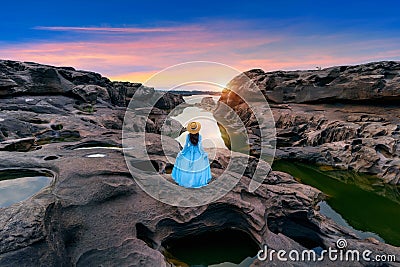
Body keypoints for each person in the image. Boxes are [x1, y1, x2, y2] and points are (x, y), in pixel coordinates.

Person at [172, 121, 212, 188]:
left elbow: (186, 145)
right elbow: (200, 146)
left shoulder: (188, 135)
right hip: (197, 152)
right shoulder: (200, 136)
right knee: (198, 166)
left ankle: (187, 180)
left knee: (187, 166)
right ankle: (196, 181)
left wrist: (182, 153)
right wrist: (203, 153)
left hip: (189, 151)